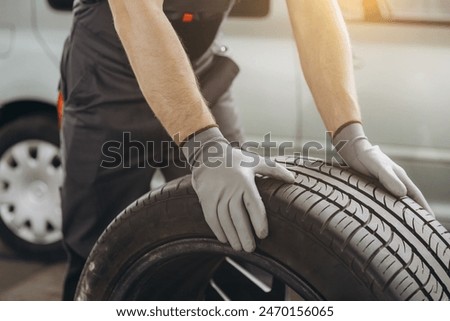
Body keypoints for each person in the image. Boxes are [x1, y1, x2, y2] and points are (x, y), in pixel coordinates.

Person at [59, 0, 433, 300]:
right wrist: (206, 148)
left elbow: (315, 8)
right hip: (107, 78)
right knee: (95, 255)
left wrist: (350, 135)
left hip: (195, 70)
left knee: (245, 220)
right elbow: (136, 9)